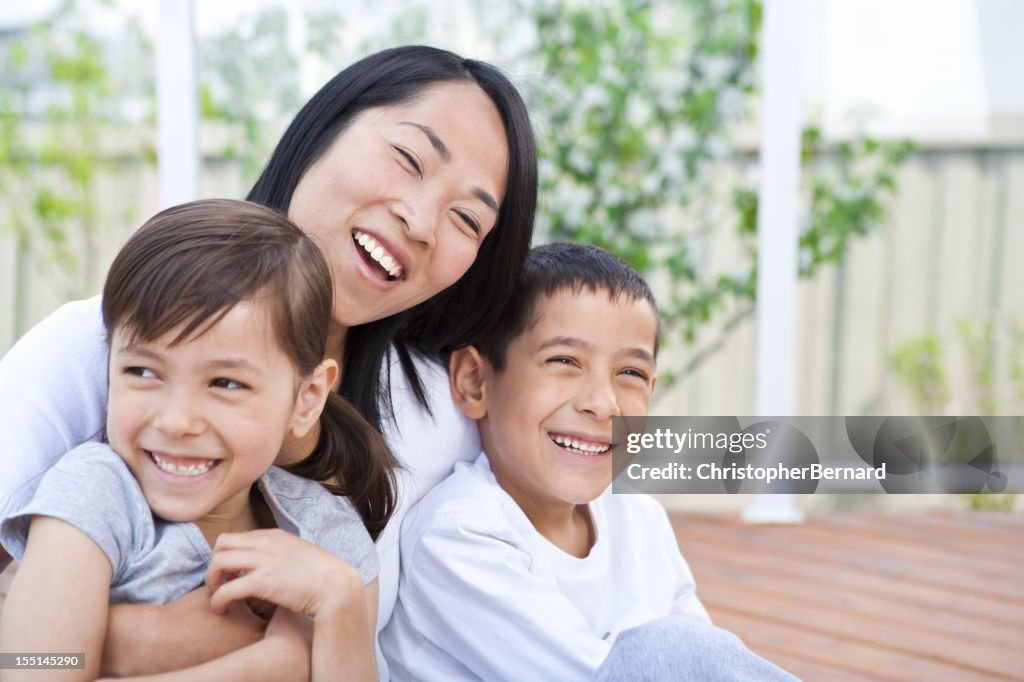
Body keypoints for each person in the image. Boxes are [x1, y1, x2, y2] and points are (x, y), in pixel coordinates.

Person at [0, 45, 536, 677]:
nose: (421, 222)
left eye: (467, 219)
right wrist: (243, 652)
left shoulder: (429, 414)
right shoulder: (94, 355)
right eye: (409, 158)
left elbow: (602, 458)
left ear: (311, 397)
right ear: (321, 131)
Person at [1, 200, 395, 681]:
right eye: (142, 371)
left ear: (307, 398)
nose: (177, 421)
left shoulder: (328, 542)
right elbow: (30, 670)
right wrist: (268, 667)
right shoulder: (96, 495)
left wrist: (340, 604)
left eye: (226, 384)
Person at [381, 243, 797, 681]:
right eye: (564, 361)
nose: (603, 403)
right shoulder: (457, 535)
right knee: (672, 646)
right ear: (475, 381)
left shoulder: (639, 519)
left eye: (631, 374)